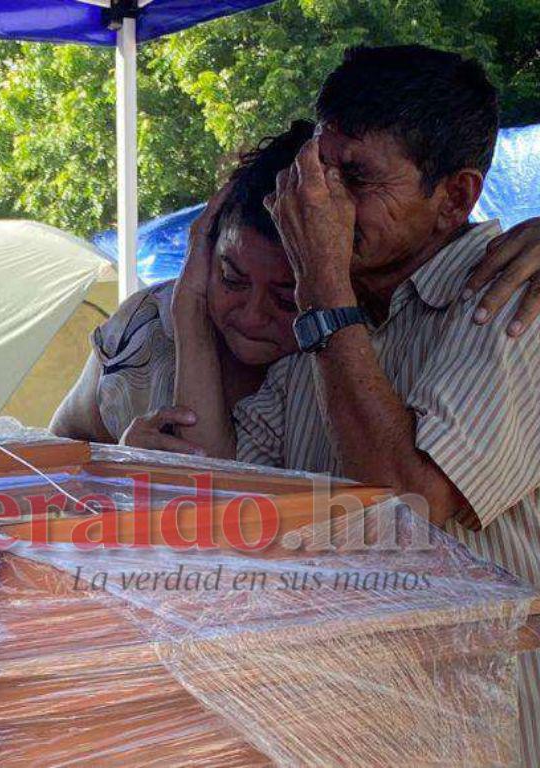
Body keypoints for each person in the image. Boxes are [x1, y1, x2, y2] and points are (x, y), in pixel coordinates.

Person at [179, 44, 540, 760]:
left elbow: (410, 503)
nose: (323, 200)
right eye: (320, 168)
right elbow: (240, 512)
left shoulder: (512, 303)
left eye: (358, 178)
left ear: (457, 197)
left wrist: (321, 290)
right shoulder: (321, 337)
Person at [50, 123, 540, 453]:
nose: (251, 314)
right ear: (203, 249)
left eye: (287, 297)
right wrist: (113, 470)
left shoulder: (346, 356)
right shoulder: (145, 326)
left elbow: (216, 500)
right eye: (232, 278)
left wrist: (194, 319)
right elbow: (57, 447)